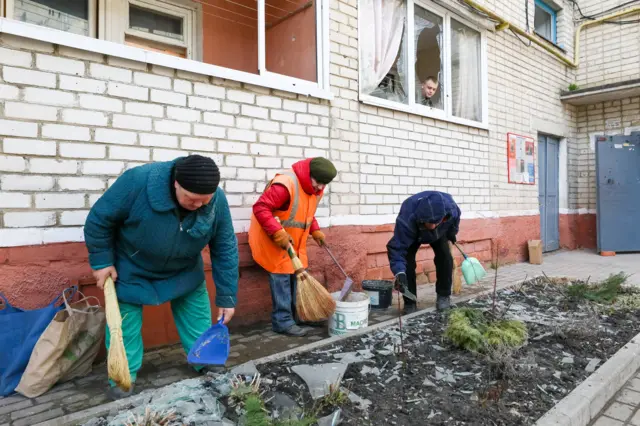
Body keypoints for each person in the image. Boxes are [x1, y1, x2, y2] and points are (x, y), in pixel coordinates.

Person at [84, 154, 238, 400]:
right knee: (123, 326)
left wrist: (227, 296)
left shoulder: (217, 199)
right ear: (176, 183)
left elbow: (225, 245)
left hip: (185, 269)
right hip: (132, 267)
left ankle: (205, 360)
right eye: (192, 199)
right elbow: (99, 220)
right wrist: (102, 262)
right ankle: (123, 377)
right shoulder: (137, 182)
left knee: (197, 317)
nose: (198, 206)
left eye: (204, 201)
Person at [249, 157, 337, 337]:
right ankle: (282, 322)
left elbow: (307, 214)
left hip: (295, 243)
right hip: (274, 240)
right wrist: (277, 233)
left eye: (324, 184)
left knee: (297, 278)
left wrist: (316, 231)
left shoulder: (314, 190)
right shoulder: (285, 185)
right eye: (318, 182)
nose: (321, 187)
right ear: (309, 175)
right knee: (281, 280)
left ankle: (300, 317)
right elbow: (260, 207)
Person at [387, 191, 461, 313]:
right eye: (429, 223)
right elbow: (397, 248)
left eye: (435, 222)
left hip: (440, 232)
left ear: (443, 217)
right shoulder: (407, 216)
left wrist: (452, 232)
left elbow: (456, 218)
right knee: (407, 262)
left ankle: (443, 296)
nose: (432, 226)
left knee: (445, 257)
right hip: (414, 232)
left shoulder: (450, 208)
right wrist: (399, 272)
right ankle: (410, 303)